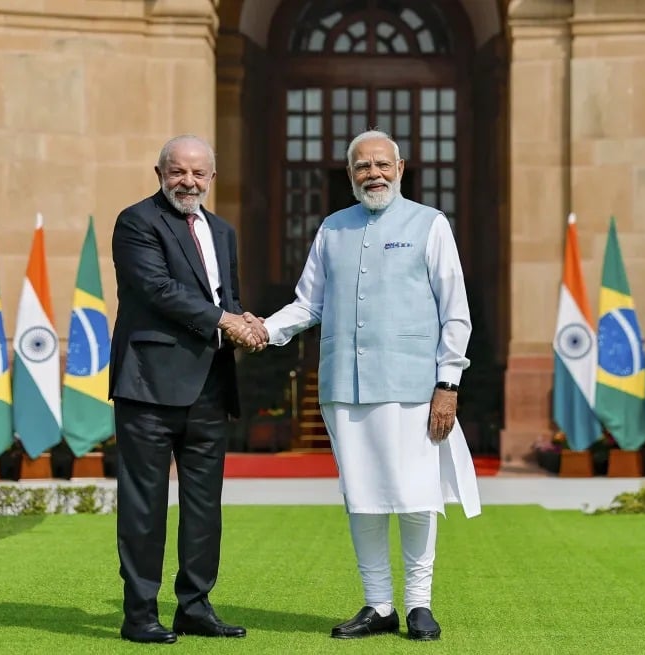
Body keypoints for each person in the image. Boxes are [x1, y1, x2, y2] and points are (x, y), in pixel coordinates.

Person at [260, 130, 481, 641]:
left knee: (415, 495)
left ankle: (420, 604)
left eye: (383, 164)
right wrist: (263, 329)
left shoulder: (430, 224)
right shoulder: (332, 229)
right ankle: (379, 605)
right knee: (362, 498)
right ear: (350, 174)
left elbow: (456, 312)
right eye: (363, 167)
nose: (374, 174)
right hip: (345, 386)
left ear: (401, 168)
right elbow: (308, 303)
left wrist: (448, 382)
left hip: (413, 386)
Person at [109, 135, 265, 645]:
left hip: (209, 386)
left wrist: (241, 318)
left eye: (198, 174)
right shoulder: (136, 222)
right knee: (143, 506)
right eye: (178, 172)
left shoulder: (223, 231)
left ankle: (195, 606)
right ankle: (140, 615)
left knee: (204, 506)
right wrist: (226, 320)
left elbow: (226, 296)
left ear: (212, 178)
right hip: (148, 387)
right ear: (159, 172)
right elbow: (158, 290)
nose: (188, 182)